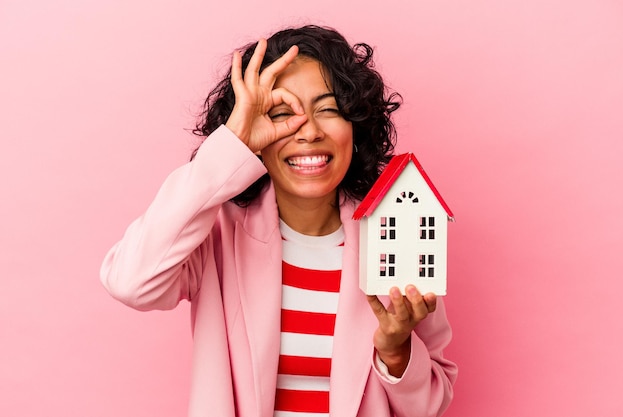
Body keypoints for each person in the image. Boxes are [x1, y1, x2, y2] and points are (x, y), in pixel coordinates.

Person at [101, 25, 457, 417]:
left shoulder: (397, 236)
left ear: (355, 126)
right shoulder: (215, 235)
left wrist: (396, 352)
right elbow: (131, 282)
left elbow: (431, 404)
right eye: (282, 113)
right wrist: (231, 142)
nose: (309, 132)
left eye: (328, 109)